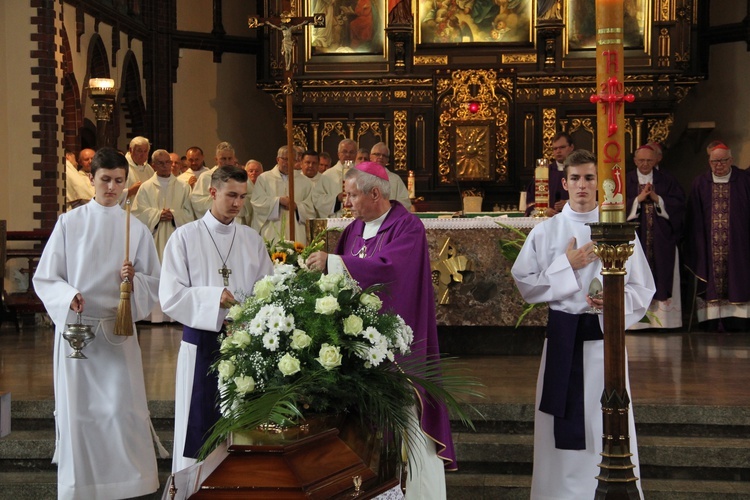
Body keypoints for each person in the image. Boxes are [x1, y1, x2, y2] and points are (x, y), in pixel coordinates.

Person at [305, 162, 456, 499]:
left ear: (375, 193)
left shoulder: (408, 228)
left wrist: (332, 262)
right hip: (358, 349)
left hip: (398, 349)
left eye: (352, 194)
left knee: (406, 422)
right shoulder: (353, 230)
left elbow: (393, 271)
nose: (347, 202)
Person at [511, 150, 655, 500]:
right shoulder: (548, 232)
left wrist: (614, 302)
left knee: (600, 421)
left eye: (590, 178)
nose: (582, 185)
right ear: (564, 183)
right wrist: (567, 264)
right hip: (562, 339)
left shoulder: (620, 231)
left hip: (602, 344)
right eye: (575, 178)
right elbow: (525, 283)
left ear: (601, 183)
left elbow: (644, 288)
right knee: (558, 426)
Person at [33, 147, 164, 499]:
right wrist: (67, 295)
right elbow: (46, 277)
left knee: (122, 408)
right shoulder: (69, 223)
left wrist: (133, 280)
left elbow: (154, 283)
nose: (112, 187)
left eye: (119, 181)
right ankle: (82, 486)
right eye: (105, 180)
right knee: (81, 413)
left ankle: (129, 482)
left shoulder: (134, 229)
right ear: (91, 179)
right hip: (79, 330)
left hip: (117, 331)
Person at [160, 165, 273, 472]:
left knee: (241, 424)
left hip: (245, 346)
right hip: (202, 346)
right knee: (199, 423)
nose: (238, 203)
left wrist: (249, 316)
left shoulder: (251, 239)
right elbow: (170, 296)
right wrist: (214, 299)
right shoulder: (184, 238)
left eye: (242, 197)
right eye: (231, 195)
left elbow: (268, 290)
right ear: (213, 192)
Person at [685, 141, 750, 331]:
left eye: (722, 161)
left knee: (739, 277)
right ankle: (712, 322)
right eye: (714, 162)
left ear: (731, 160)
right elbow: (693, 217)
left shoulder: (744, 180)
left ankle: (739, 321)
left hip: (739, 244)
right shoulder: (700, 183)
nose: (718, 165)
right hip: (709, 246)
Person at [626, 144, 686, 330]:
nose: (645, 164)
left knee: (661, 271)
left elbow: (679, 205)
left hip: (661, 241)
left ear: (656, 160)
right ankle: (636, 323)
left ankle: (663, 322)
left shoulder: (666, 179)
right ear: (635, 160)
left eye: (649, 160)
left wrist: (658, 198)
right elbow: (613, 203)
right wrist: (637, 200)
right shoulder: (626, 179)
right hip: (636, 238)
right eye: (641, 160)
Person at [250, 145, 316, 244]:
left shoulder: (305, 181)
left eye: (292, 160)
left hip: (296, 230)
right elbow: (257, 202)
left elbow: (311, 208)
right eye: (285, 159)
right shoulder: (264, 178)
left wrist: (297, 207)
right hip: (272, 229)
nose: (288, 163)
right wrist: (278, 201)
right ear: (278, 159)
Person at [525, 132, 574, 216]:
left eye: (562, 147)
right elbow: (531, 203)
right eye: (555, 149)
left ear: (571, 147)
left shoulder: (580, 171)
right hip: (547, 221)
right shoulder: (543, 172)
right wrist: (544, 211)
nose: (558, 151)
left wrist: (569, 203)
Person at [191, 142, 240, 219]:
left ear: (234, 159)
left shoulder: (240, 178)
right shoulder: (206, 177)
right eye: (223, 159)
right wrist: (220, 199)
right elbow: (196, 202)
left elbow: (249, 201)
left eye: (230, 158)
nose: (227, 162)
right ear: (216, 159)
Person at [311, 138, 358, 217]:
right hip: (336, 221)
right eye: (344, 151)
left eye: (351, 152)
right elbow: (317, 199)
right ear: (338, 154)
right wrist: (337, 199)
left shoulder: (362, 174)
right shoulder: (327, 175)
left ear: (356, 154)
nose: (348, 155)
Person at [369, 141, 412, 211]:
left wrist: (390, 208)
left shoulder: (395, 179)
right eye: (377, 154)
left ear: (387, 160)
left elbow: (405, 203)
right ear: (370, 157)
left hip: (390, 218)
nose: (380, 157)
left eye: (384, 155)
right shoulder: (363, 176)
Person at [123, 136, 153, 201]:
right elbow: (113, 194)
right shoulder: (122, 167)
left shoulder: (149, 169)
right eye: (139, 151)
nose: (143, 154)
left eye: (145, 151)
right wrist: (130, 191)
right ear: (131, 150)